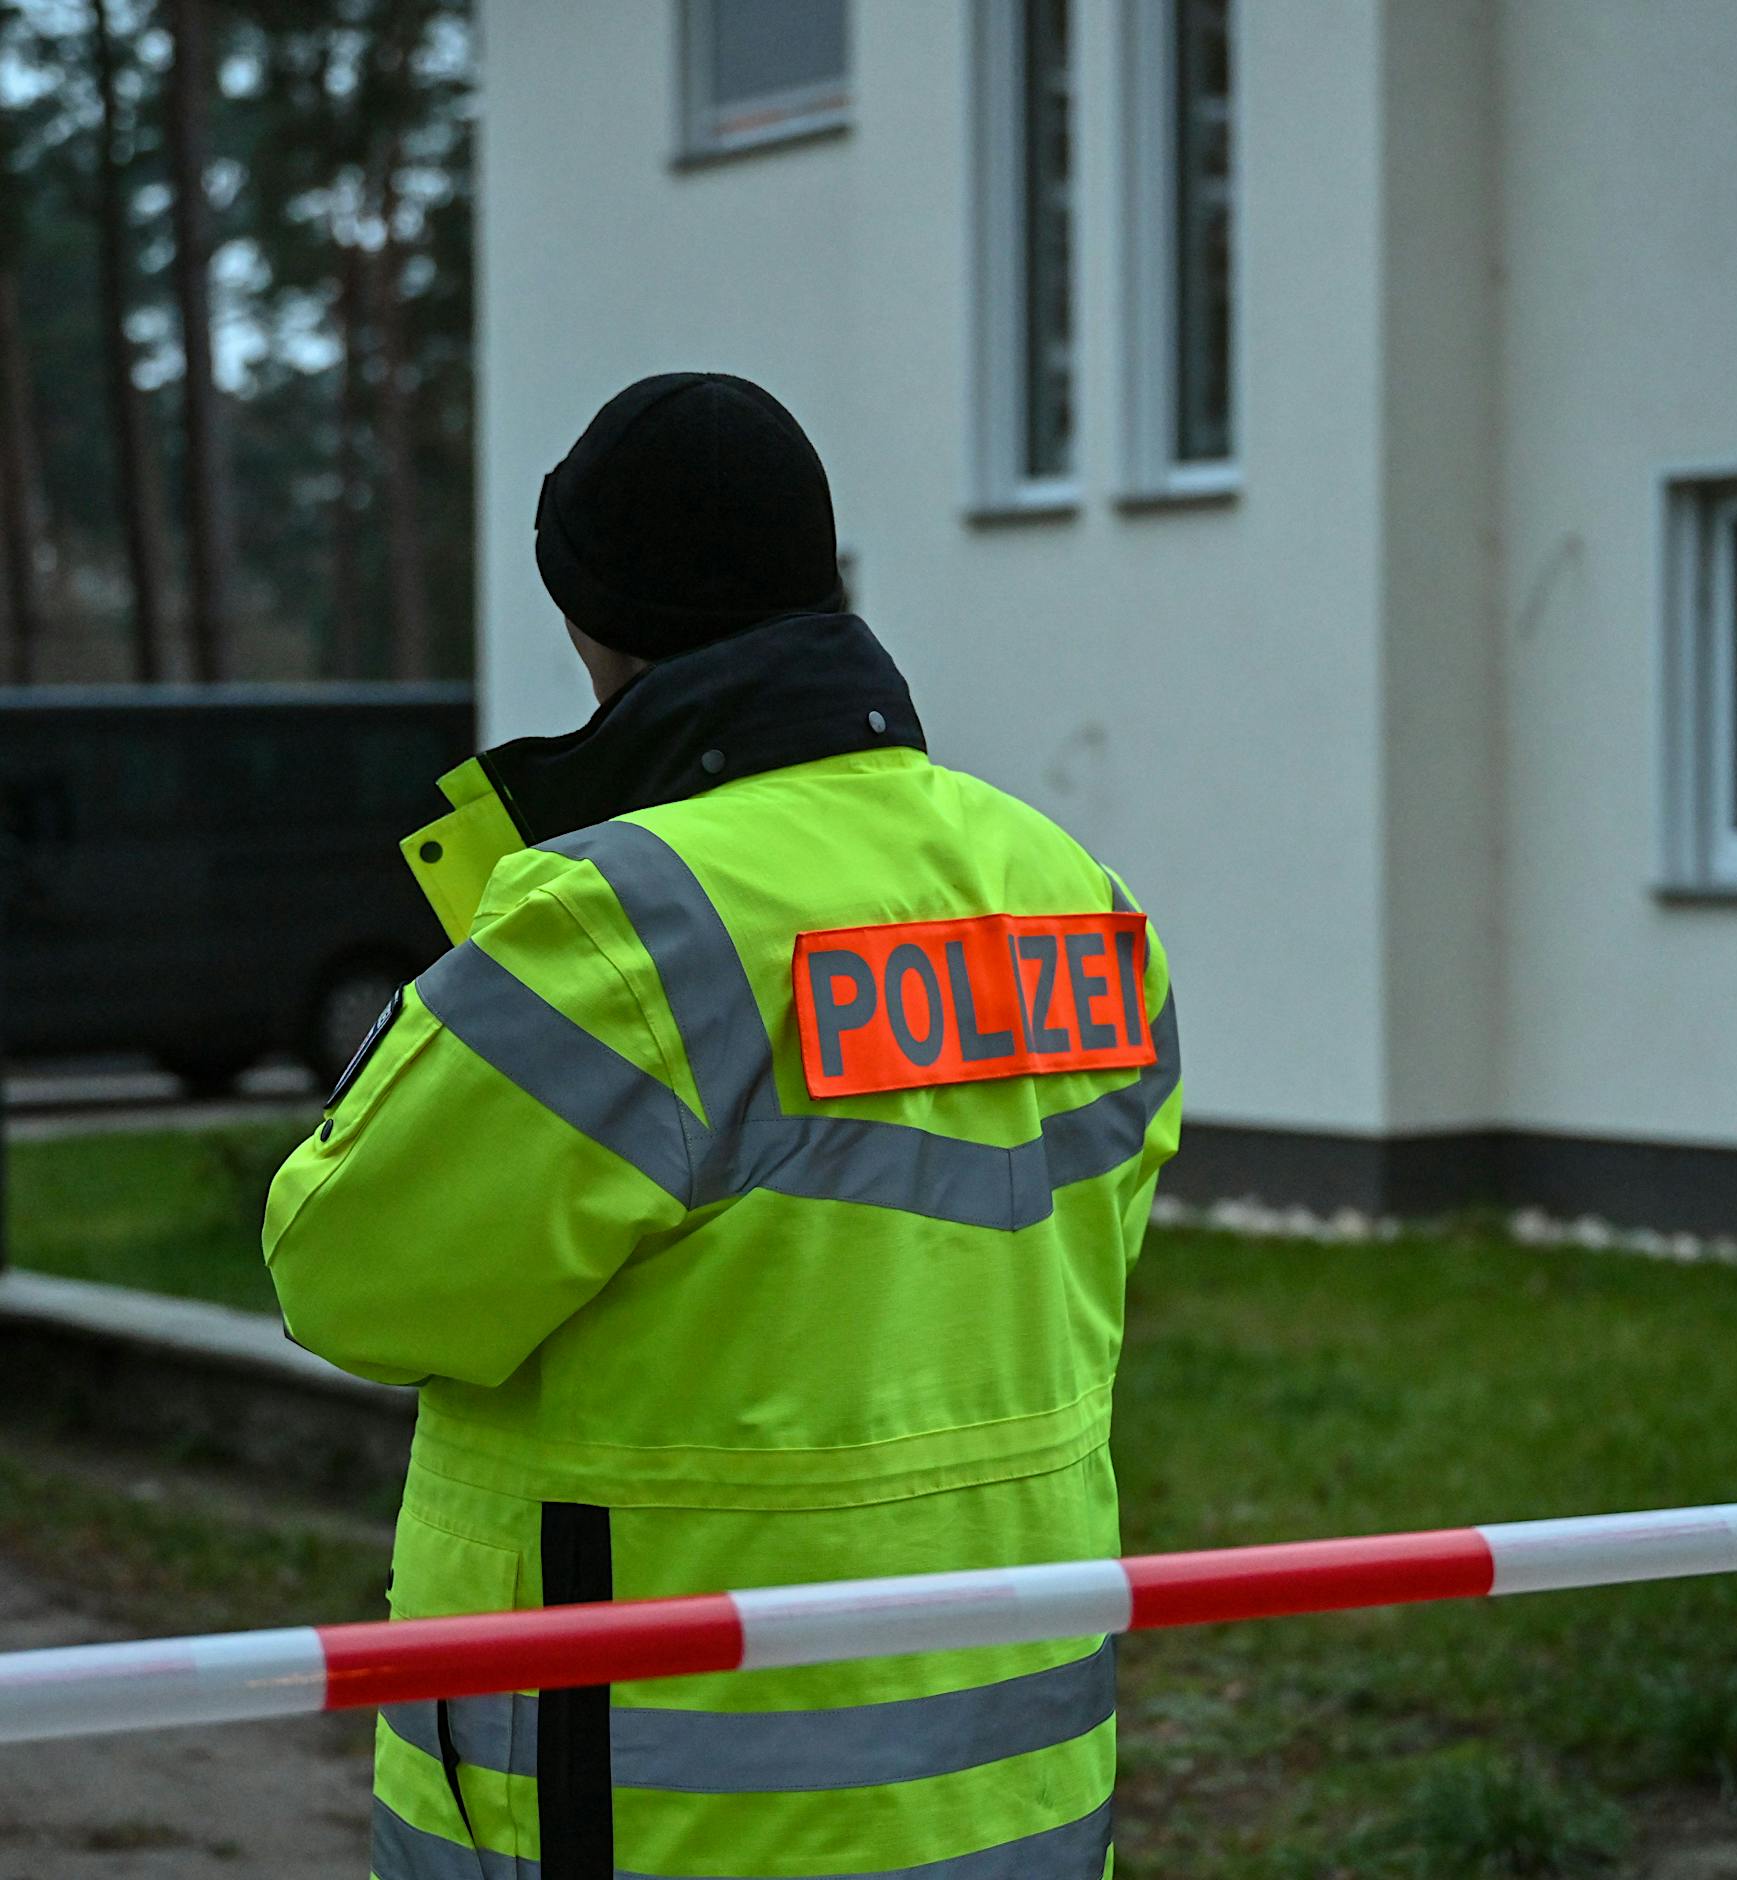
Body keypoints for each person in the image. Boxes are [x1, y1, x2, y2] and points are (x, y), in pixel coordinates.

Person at [264, 371, 1181, 1880]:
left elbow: (343, 1273)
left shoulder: (622, 921)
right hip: (1011, 1796)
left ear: (592, 621)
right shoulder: (1070, 890)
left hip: (656, 1815)